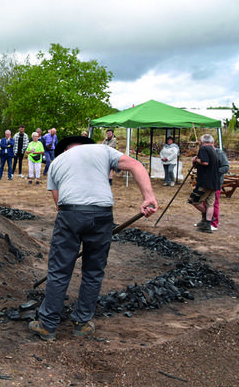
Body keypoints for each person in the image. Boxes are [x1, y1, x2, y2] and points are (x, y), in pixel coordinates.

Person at [29, 135, 157, 341]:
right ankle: (81, 322)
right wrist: (148, 197)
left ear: (65, 149)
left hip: (71, 212)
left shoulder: (56, 163)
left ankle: (47, 325)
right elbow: (135, 165)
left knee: (60, 270)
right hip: (102, 214)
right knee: (93, 270)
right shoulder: (103, 150)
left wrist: (75, 221)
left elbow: (59, 203)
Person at [188, 134, 221, 233]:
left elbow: (205, 162)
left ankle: (208, 219)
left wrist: (195, 159)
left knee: (193, 200)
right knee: (209, 203)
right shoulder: (214, 150)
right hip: (214, 182)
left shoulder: (203, 149)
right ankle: (207, 223)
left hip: (205, 182)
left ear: (201, 142)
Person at [211, 145, 229, 232]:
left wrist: (214, 172)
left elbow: (226, 167)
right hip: (205, 182)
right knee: (204, 203)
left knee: (214, 203)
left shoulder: (220, 153)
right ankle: (205, 221)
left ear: (213, 143)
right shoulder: (203, 152)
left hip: (216, 182)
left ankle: (214, 224)